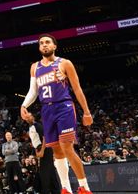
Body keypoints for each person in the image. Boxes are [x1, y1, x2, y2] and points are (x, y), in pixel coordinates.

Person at [21, 34, 94, 194]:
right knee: (57, 151)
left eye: (48, 42)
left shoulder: (65, 63)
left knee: (67, 147)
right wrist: (24, 105)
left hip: (64, 107)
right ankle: (66, 188)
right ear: (39, 48)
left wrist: (87, 112)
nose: (44, 45)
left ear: (54, 46)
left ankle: (85, 188)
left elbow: (77, 89)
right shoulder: (35, 67)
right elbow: (33, 91)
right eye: (41, 43)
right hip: (46, 110)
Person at [25, 114, 61, 194]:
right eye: (26, 117)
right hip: (39, 149)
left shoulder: (37, 125)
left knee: (44, 173)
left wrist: (42, 150)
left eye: (29, 116)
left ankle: (47, 191)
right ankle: (56, 191)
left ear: (33, 117)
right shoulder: (30, 128)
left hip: (45, 148)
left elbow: (45, 137)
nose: (28, 118)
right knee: (50, 171)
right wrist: (36, 152)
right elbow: (34, 142)